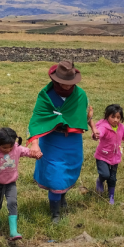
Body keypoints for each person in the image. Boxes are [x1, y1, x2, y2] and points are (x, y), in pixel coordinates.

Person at [26, 60, 97, 223]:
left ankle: (61, 198)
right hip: (51, 141)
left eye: (70, 82)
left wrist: (94, 129)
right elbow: (37, 119)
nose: (67, 86)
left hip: (72, 142)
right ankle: (55, 214)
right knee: (55, 175)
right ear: (55, 80)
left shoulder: (80, 95)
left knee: (67, 173)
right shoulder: (45, 95)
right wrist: (35, 142)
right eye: (63, 82)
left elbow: (84, 117)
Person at [93, 104, 124, 205]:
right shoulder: (104, 127)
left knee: (112, 178)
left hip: (115, 157)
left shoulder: (120, 127)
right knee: (105, 174)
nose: (116, 120)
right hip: (102, 156)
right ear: (107, 116)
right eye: (113, 117)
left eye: (118, 117)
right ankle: (100, 181)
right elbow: (99, 133)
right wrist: (96, 135)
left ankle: (111, 196)